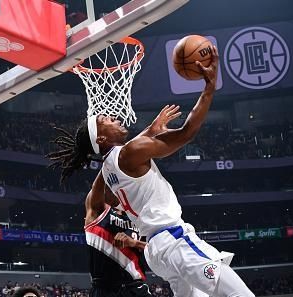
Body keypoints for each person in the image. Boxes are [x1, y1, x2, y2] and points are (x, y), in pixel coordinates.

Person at [47, 46, 254, 297]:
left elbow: (127, 152)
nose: (114, 118)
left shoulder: (109, 169)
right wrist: (210, 87)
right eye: (107, 121)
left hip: (156, 251)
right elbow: (187, 133)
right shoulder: (127, 154)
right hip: (175, 241)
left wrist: (150, 130)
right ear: (101, 137)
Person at [84, 170, 151, 297]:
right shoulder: (98, 212)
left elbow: (156, 249)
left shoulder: (140, 218)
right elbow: (96, 187)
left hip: (136, 288)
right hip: (104, 288)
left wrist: (134, 243)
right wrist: (109, 160)